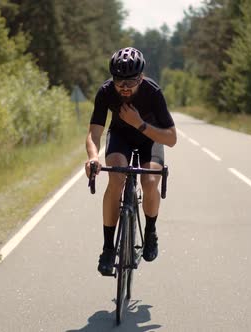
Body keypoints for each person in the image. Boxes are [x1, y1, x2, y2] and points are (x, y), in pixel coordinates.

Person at [85, 47, 177, 276]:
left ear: (141, 77)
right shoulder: (106, 91)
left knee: (150, 181)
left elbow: (172, 138)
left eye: (131, 82)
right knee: (115, 178)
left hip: (150, 138)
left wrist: (139, 123)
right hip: (120, 137)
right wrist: (93, 157)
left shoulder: (153, 92)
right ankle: (108, 249)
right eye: (119, 82)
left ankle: (151, 232)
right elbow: (94, 133)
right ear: (113, 79)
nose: (124, 88)